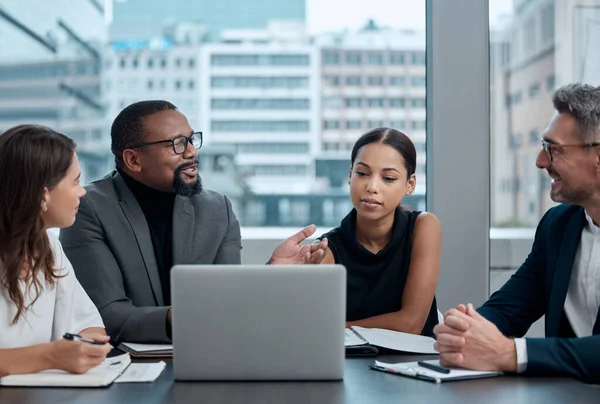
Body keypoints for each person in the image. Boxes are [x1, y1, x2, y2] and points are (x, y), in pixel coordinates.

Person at [60, 100, 327, 345]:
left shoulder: (216, 209)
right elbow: (104, 315)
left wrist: (270, 274)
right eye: (176, 143)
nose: (191, 152)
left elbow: (228, 302)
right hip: (124, 368)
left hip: (208, 357)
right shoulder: (88, 208)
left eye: (191, 140)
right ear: (133, 159)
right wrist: (181, 317)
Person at [434, 83, 600, 384]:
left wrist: (511, 353)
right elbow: (511, 308)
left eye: (554, 149)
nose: (540, 161)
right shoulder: (558, 225)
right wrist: (466, 330)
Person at [0, 125, 111, 377]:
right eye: (75, 181)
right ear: (43, 195)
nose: (83, 191)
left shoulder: (48, 245)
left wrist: (86, 348)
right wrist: (50, 355)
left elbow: (91, 326)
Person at [319, 128, 441, 337]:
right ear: (350, 176)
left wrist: (340, 327)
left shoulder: (424, 227)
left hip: (416, 364)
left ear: (409, 184)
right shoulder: (326, 249)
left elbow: (411, 324)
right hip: (351, 366)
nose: (372, 187)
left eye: (389, 178)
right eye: (362, 174)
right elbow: (308, 324)